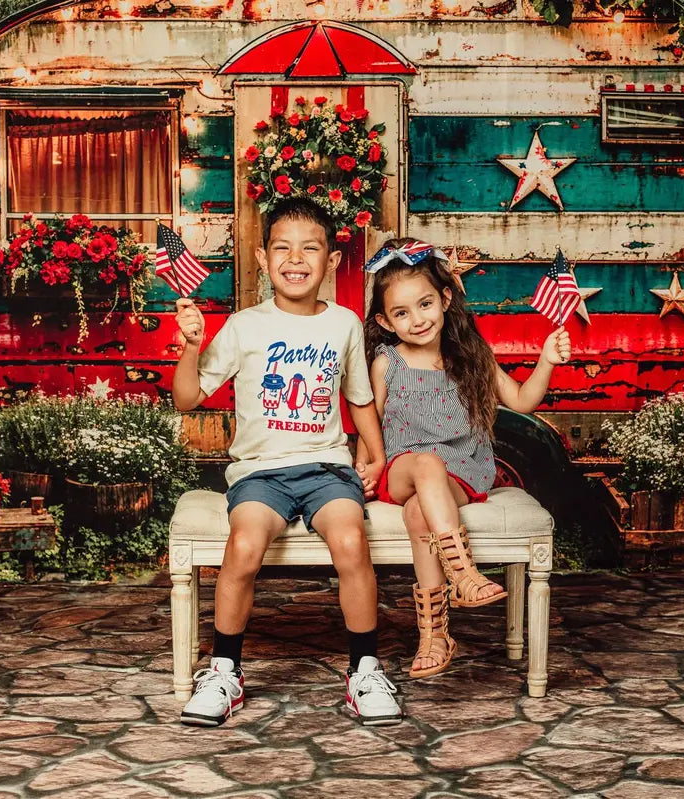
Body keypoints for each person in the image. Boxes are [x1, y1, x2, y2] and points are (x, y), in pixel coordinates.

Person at [172, 198, 401, 727]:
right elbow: (187, 399)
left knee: (351, 541)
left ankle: (365, 670)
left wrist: (378, 456)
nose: (295, 259)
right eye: (282, 248)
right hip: (260, 473)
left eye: (310, 248)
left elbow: (360, 399)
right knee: (243, 547)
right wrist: (191, 347)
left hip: (327, 468)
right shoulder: (244, 325)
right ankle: (224, 672)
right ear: (262, 257)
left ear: (332, 260)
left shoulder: (344, 324)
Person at [364, 239, 571, 678]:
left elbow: (522, 400)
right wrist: (365, 466)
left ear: (445, 298)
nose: (417, 319)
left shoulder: (472, 355)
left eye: (425, 304)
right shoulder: (387, 363)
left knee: (420, 511)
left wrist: (547, 360)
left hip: (460, 471)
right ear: (385, 321)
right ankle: (464, 574)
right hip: (401, 467)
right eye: (402, 313)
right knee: (425, 464)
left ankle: (434, 636)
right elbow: (369, 422)